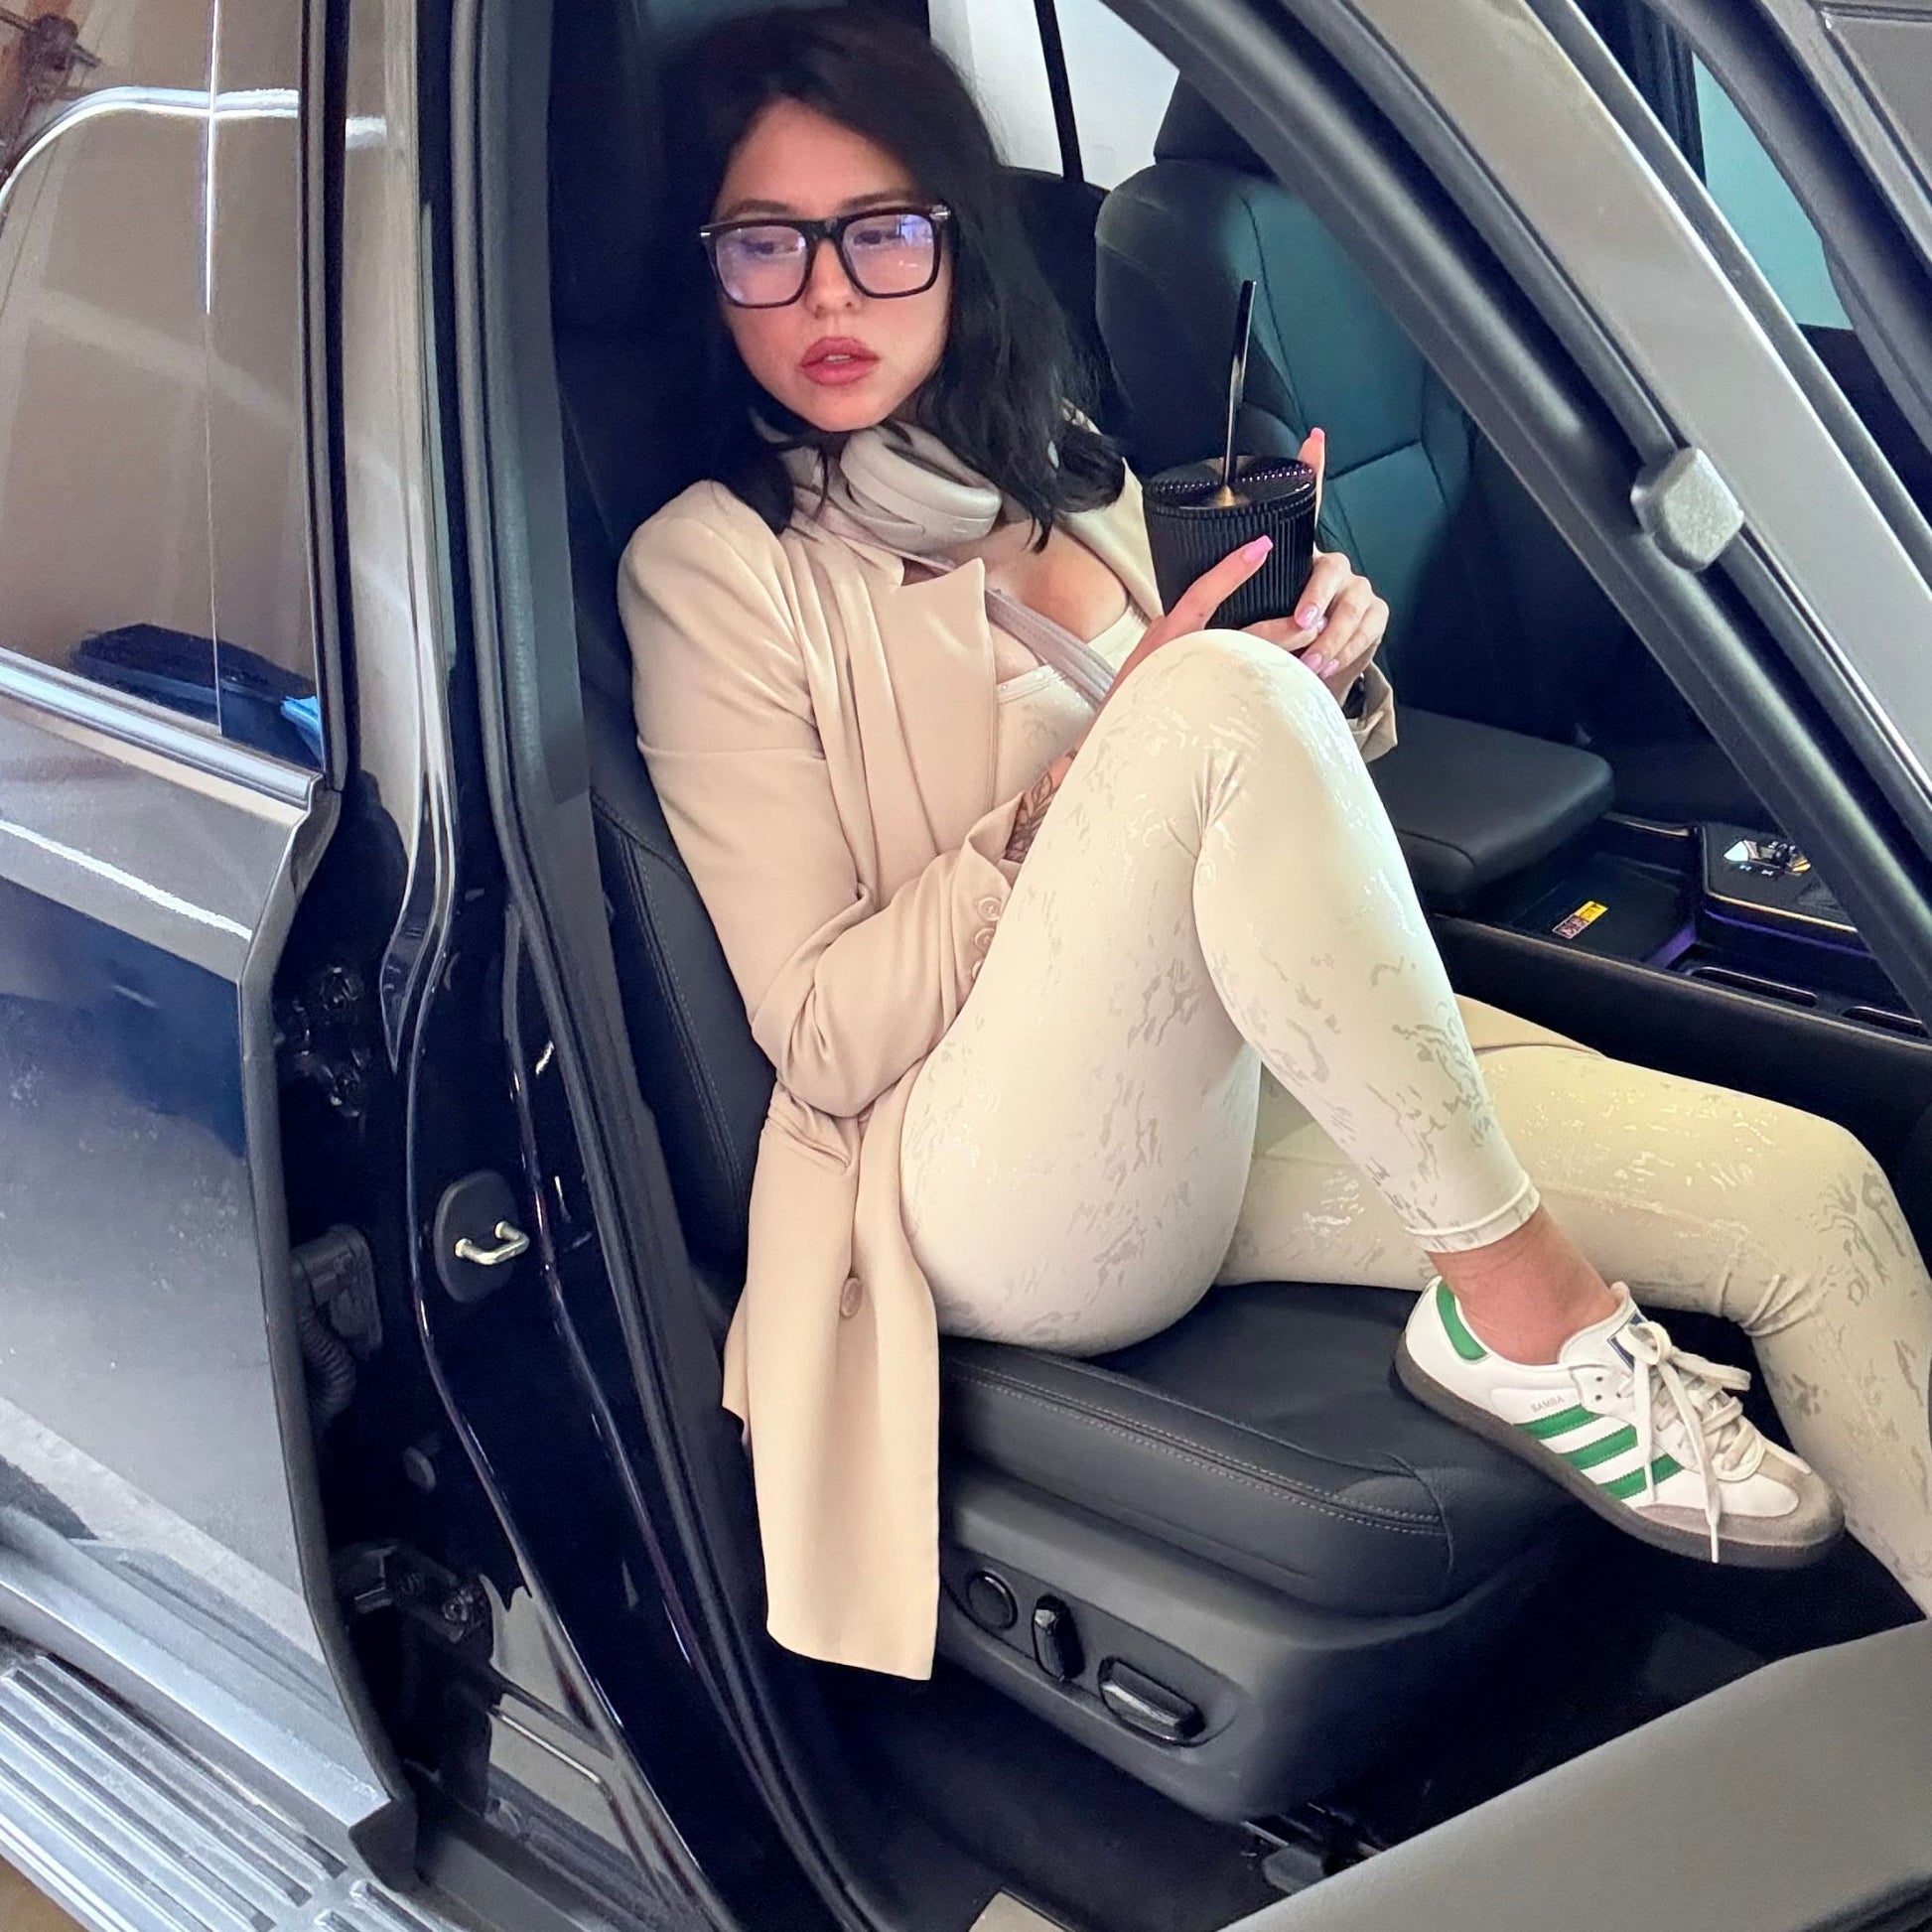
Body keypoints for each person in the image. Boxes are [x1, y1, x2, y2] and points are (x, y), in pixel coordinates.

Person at [620, 5, 1932, 1678]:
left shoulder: (1065, 474)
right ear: (706, 267)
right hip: (964, 1173)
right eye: (766, 245)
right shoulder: (715, 571)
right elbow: (821, 1031)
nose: (826, 294)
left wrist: (1331, 677)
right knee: (1207, 704)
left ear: (957, 240)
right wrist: (1111, 765)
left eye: (879, 234)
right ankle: (1522, 1316)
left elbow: (1249, 850)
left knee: (1809, 1194)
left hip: (1220, 1086)